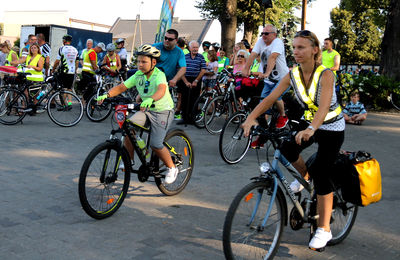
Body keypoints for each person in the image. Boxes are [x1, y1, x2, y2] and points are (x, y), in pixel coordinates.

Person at [242, 30, 345, 251]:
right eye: (294, 48)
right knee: (287, 149)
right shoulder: (293, 74)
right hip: (310, 123)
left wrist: (310, 129)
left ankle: (324, 229)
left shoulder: (326, 74)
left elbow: (325, 107)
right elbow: (270, 98)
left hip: (331, 126)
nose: (296, 52)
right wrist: (250, 119)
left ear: (314, 50)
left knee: (323, 172)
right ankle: (305, 178)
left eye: (301, 48)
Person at [96, 44, 178, 184]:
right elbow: (122, 87)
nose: (140, 64)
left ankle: (172, 167)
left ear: (153, 62)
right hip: (146, 109)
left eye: (143, 62)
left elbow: (161, 90)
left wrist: (151, 99)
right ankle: (130, 160)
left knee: (156, 144)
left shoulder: (159, 75)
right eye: (138, 61)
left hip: (162, 111)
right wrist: (106, 95)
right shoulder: (138, 75)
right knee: (128, 128)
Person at [242, 24, 289, 138]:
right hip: (269, 81)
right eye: (262, 33)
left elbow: (272, 57)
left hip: (283, 78)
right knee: (263, 105)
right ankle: (263, 135)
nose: (263, 36)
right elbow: (253, 55)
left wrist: (267, 73)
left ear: (274, 34)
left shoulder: (277, 42)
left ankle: (283, 116)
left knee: (275, 96)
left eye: (266, 33)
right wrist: (246, 69)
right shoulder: (261, 42)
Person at [177, 40, 206, 124]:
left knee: (195, 99)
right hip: (185, 79)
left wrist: (196, 80)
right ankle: (184, 118)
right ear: (189, 48)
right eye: (193, 47)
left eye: (197, 47)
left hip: (196, 79)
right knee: (184, 99)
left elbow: (203, 69)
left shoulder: (201, 57)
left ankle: (192, 119)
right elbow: (180, 69)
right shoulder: (184, 57)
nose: (195, 49)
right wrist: (186, 82)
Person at [52, 34, 79, 109]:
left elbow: (57, 61)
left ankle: (64, 105)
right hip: (72, 71)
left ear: (64, 41)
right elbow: (77, 62)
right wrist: (75, 70)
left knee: (63, 89)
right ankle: (70, 103)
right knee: (69, 88)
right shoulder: (75, 49)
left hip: (64, 71)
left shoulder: (62, 49)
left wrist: (53, 69)